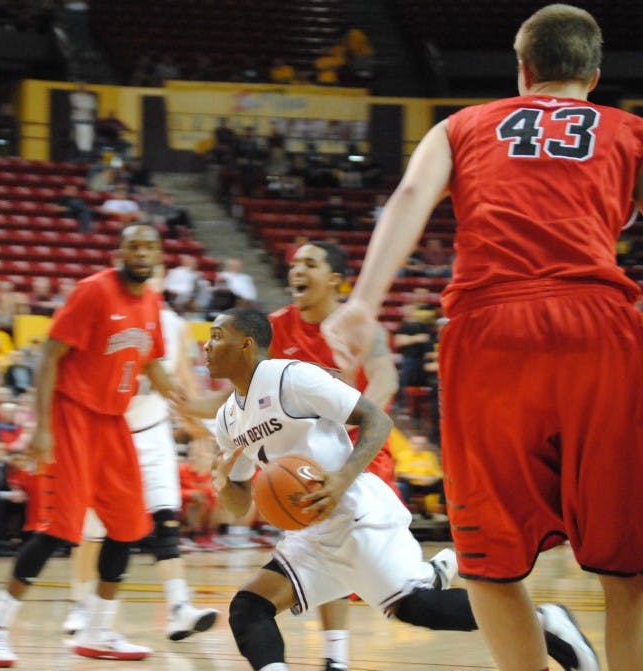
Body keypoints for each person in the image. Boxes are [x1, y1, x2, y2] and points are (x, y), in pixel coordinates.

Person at [321, 6, 642, 671]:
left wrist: (364, 302)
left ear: (523, 71)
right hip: (600, 330)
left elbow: (411, 195)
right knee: (628, 566)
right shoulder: (630, 130)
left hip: (488, 332)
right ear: (594, 76)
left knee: (490, 565)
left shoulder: (461, 125)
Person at [206, 308, 598, 671]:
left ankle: (546, 621)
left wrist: (340, 479)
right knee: (248, 609)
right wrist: (223, 487)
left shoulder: (290, 377)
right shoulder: (227, 420)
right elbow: (239, 505)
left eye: (217, 335)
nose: (206, 346)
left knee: (417, 607)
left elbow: (377, 420)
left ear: (247, 344)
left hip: (355, 515)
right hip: (310, 535)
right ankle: (431, 572)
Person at [0, 224, 181, 667]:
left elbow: (153, 364)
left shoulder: (151, 302)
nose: (141, 253)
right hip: (73, 416)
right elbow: (50, 355)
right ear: (119, 252)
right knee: (59, 529)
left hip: (113, 422)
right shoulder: (93, 291)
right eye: (133, 246)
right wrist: (42, 427)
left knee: (128, 526)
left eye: (149, 247)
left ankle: (98, 631)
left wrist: (191, 401)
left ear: (159, 256)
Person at [62, 268, 219, 643]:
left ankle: (179, 608)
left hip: (153, 432)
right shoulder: (103, 313)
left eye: (156, 271)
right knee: (93, 531)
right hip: (107, 432)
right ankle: (81, 604)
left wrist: (205, 435)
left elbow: (184, 385)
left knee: (166, 517)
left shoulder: (175, 326)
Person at [268, 241, 398, 671]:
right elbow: (247, 389)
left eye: (310, 263)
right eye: (294, 263)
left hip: (363, 456)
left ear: (335, 280)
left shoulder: (361, 328)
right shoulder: (275, 329)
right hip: (311, 461)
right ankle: (335, 659)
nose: (297, 270)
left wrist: (354, 418)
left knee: (390, 585)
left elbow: (386, 378)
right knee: (330, 551)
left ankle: (433, 578)